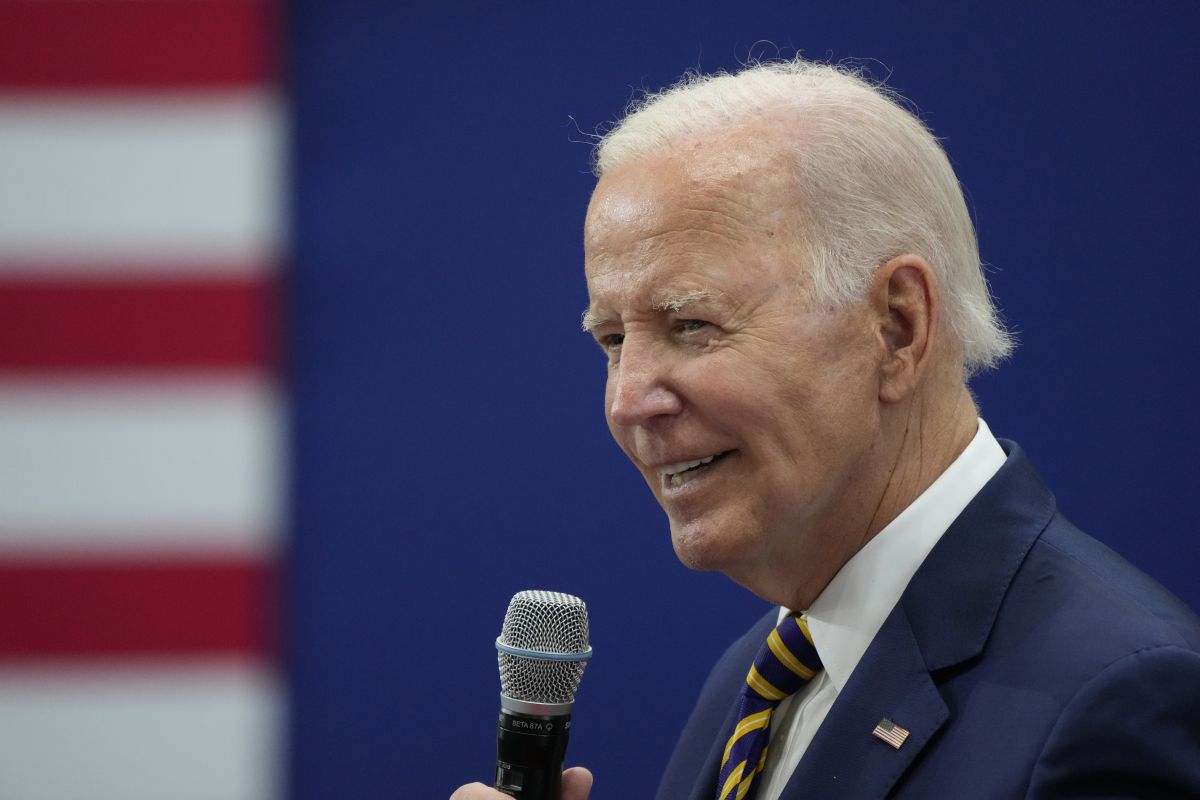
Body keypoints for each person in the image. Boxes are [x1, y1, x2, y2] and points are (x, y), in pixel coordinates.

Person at [452, 58, 1200, 799]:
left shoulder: (1111, 700)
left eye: (692, 324)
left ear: (897, 328)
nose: (628, 402)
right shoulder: (759, 675)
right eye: (613, 340)